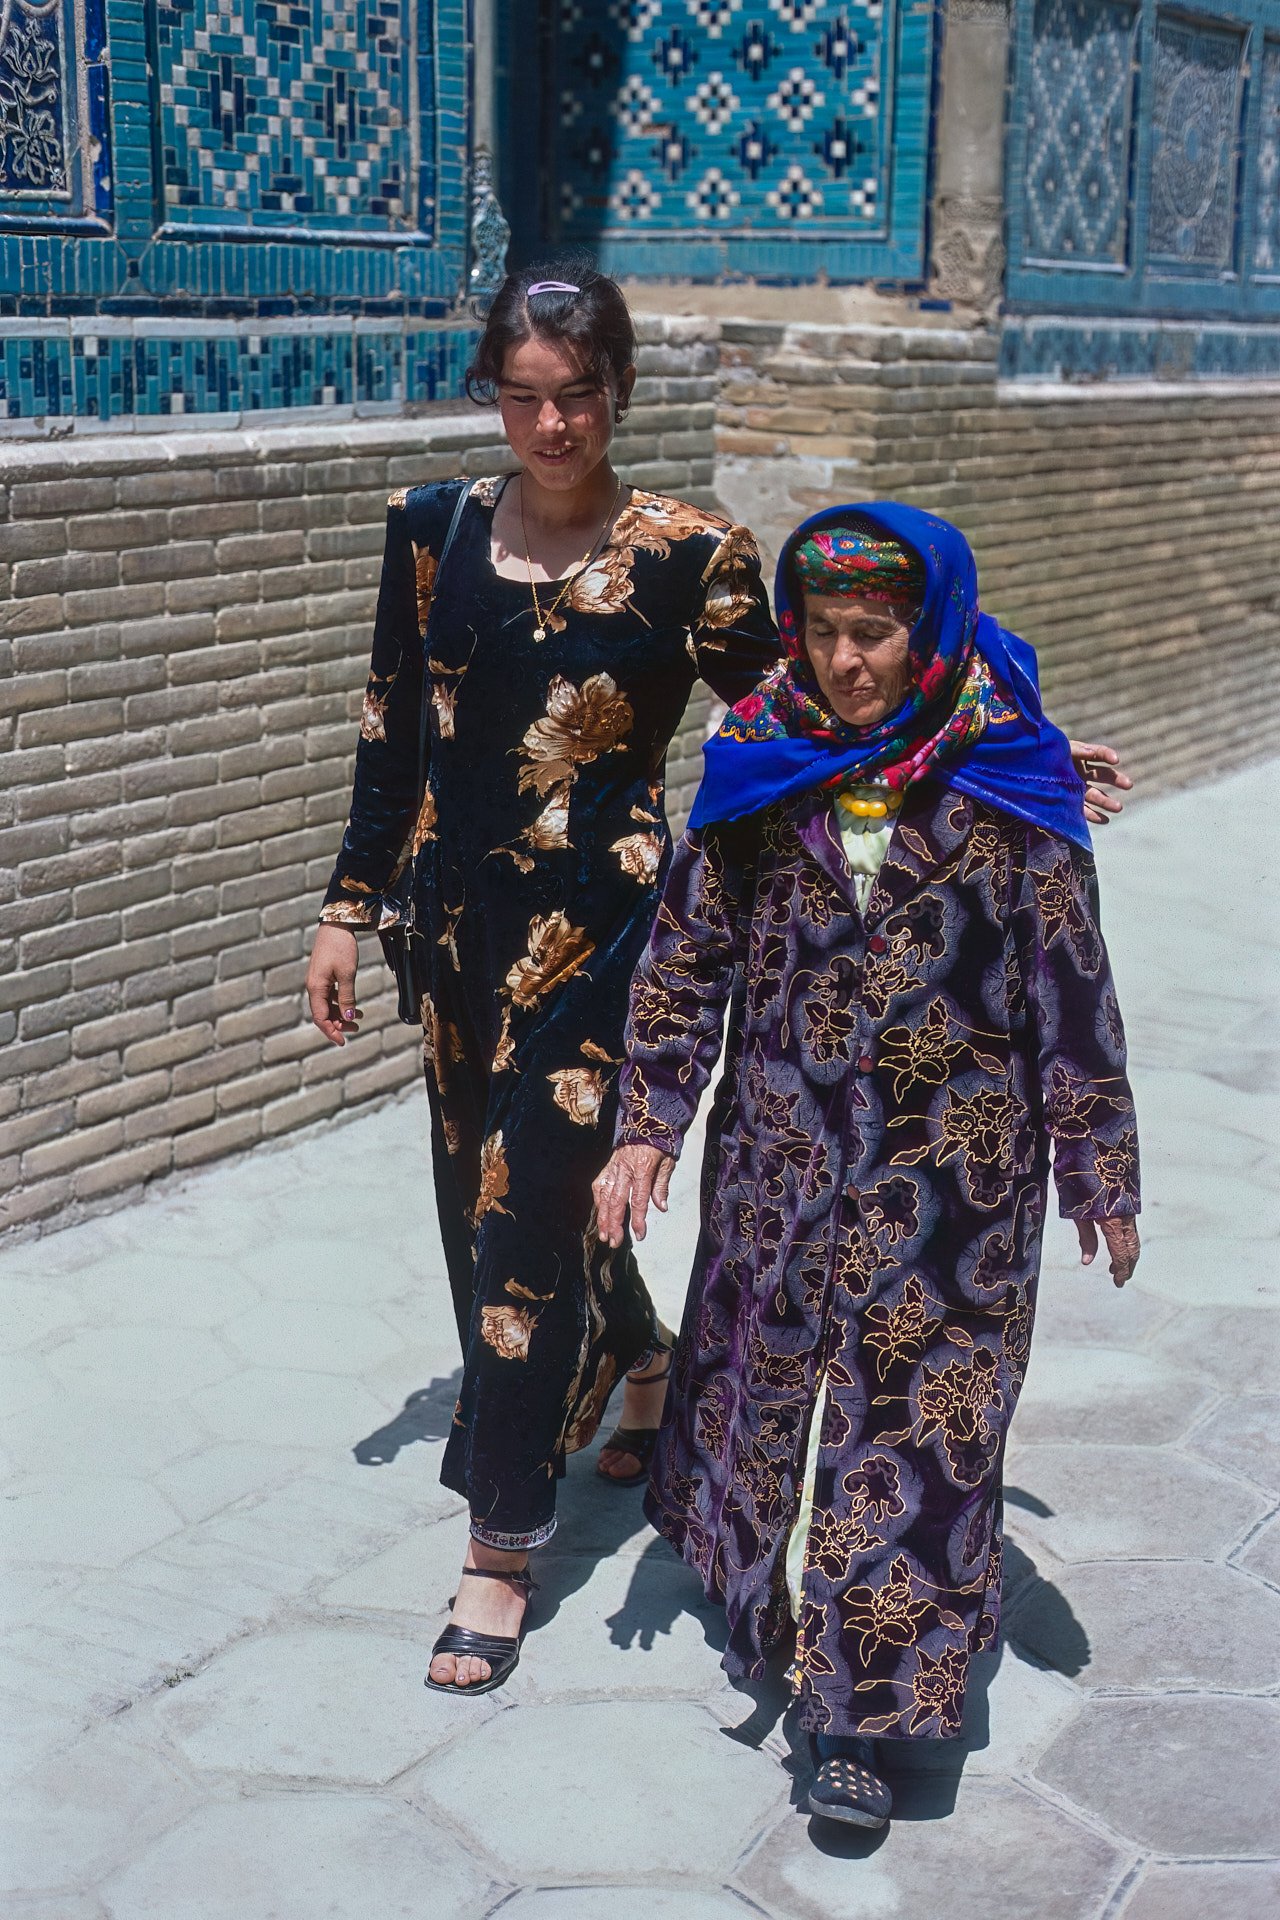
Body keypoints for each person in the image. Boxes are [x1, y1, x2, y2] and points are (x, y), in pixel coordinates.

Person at [595, 504, 1140, 1828]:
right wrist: (648, 1124)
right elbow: (687, 958)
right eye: (829, 632)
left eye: (877, 635)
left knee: (919, 1432)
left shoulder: (1010, 775)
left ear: (928, 630)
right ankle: (773, 1612)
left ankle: (860, 1717)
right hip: (782, 1164)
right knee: (774, 1390)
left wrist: (1100, 1168)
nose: (849, 662)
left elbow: (1071, 985)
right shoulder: (760, 759)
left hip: (959, 1186)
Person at [304, 260, 782, 1693]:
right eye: (524, 397)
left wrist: (987, 739)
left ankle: (500, 1550)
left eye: (578, 395)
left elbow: (799, 714)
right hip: (456, 946)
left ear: (618, 389)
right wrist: (346, 909)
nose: (553, 425)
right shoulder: (432, 530)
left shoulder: (693, 554)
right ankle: (642, 1361)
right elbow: (392, 733)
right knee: (494, 1214)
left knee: (521, 1226)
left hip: (606, 945)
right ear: (494, 398)